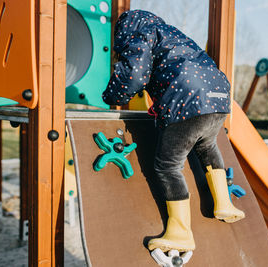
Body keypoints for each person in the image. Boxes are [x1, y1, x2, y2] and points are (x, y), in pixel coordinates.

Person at [102, 10, 244, 252]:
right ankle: (224, 203)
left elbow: (135, 75)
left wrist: (112, 95)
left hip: (187, 99)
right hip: (219, 97)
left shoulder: (139, 33)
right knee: (208, 146)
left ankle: (180, 232)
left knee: (168, 165)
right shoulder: (172, 35)